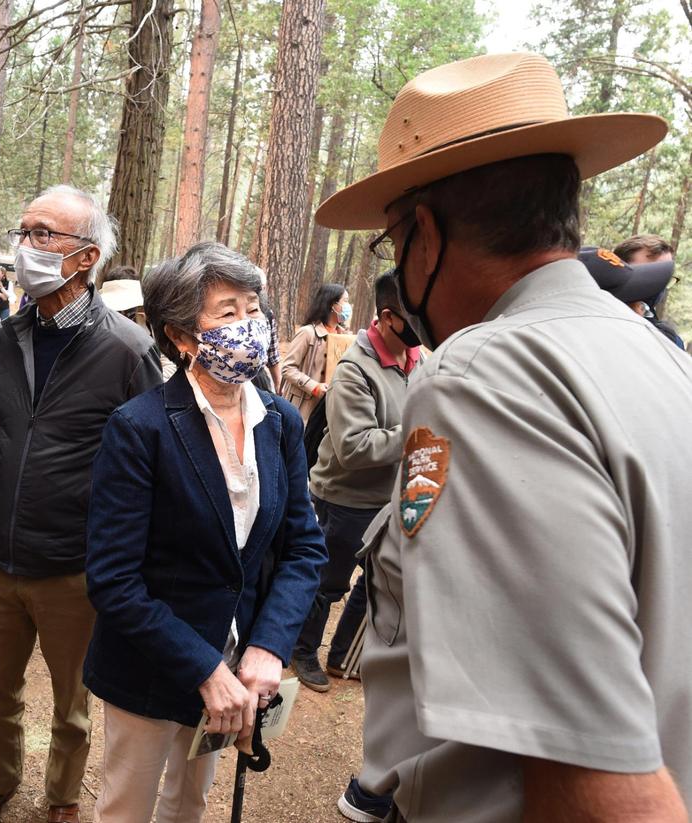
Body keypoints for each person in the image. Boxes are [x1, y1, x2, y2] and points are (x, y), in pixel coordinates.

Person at [315, 52, 691, 821]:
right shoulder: (653, 354)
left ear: (424, 232)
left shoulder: (479, 377)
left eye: (392, 242)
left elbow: (596, 782)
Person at [83, 243, 327, 823]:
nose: (248, 324)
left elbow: (302, 546)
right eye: (226, 312)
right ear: (183, 336)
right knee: (127, 804)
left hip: (237, 663)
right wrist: (204, 669)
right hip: (151, 662)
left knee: (190, 801)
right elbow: (114, 579)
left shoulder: (281, 421)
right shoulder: (140, 428)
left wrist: (267, 646)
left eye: (253, 308)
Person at [0, 185, 162, 823]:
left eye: (44, 234)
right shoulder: (11, 335)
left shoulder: (129, 350)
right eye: (23, 232)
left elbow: (153, 463)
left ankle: (63, 798)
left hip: (73, 566)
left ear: (84, 256)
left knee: (73, 701)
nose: (26, 247)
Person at [291, 272, 422, 700]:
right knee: (327, 582)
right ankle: (302, 649)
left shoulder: (418, 359)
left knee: (376, 584)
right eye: (412, 317)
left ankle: (344, 654)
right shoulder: (355, 369)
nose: (421, 325)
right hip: (344, 499)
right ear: (388, 318)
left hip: (390, 498)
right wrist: (420, 432)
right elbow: (353, 447)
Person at [279, 283, 351, 422]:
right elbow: (287, 368)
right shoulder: (307, 333)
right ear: (332, 304)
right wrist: (313, 386)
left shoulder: (343, 338)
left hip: (327, 411)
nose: (348, 307)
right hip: (302, 408)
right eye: (345, 301)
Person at [613, 234, 685, 349]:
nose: (658, 285)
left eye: (664, 277)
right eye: (649, 274)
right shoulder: (596, 320)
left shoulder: (670, 340)